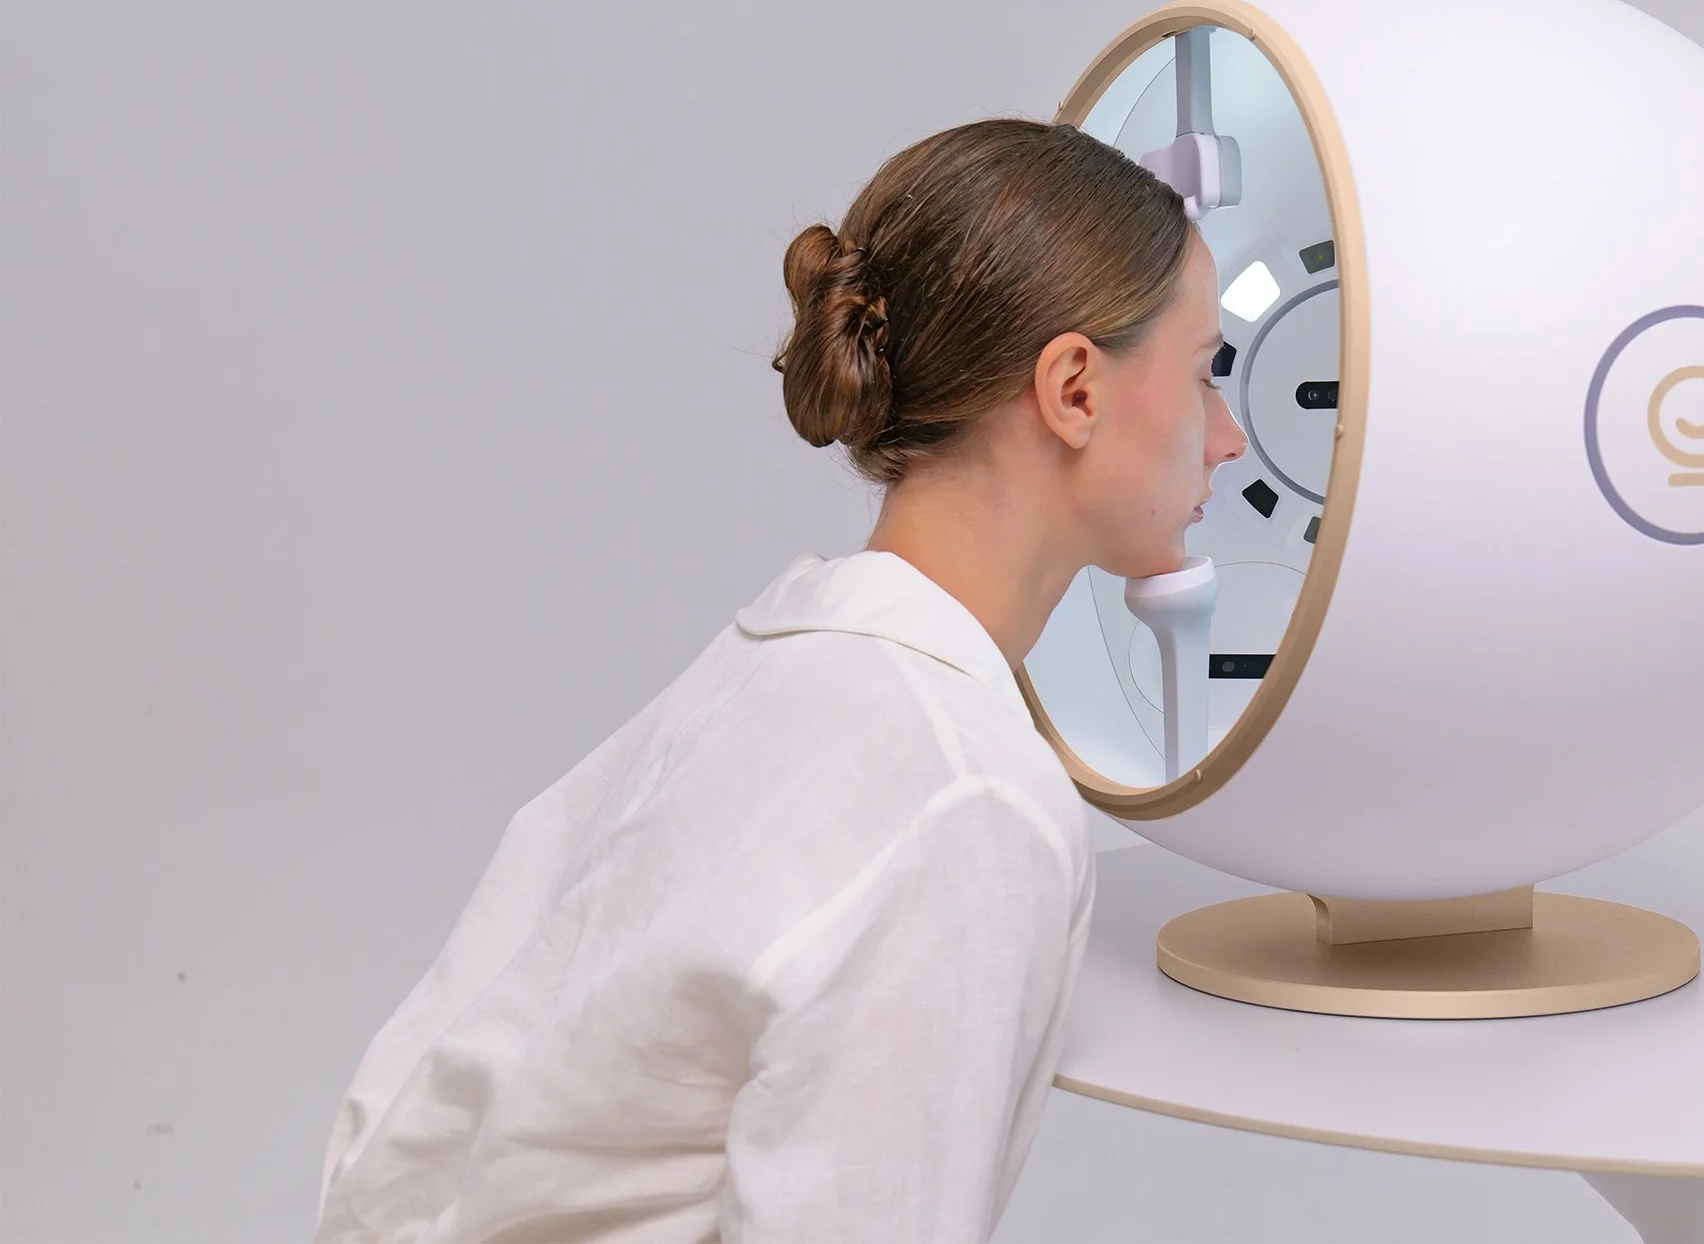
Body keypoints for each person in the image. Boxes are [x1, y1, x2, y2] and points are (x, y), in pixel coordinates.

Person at [314, 118, 1250, 1243]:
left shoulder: (773, 672)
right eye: (1203, 376)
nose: (1232, 436)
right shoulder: (966, 796)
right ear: (1074, 390)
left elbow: (413, 1109)